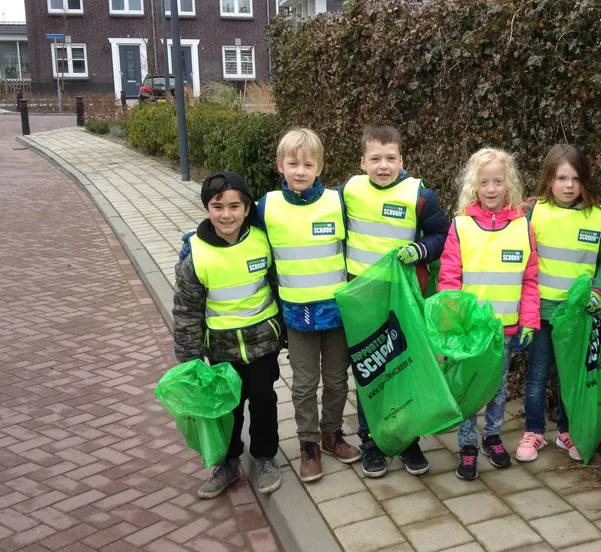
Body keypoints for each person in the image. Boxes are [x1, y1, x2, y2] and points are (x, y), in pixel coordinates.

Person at [340, 123, 451, 478]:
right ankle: (371, 440)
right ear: (362, 162)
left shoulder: (420, 195)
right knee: (368, 368)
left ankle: (407, 438)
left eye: (391, 158)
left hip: (403, 298)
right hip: (363, 299)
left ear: (402, 159)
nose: (383, 165)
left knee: (405, 364)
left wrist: (420, 250)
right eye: (375, 158)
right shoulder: (349, 192)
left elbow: (442, 235)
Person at [257, 129, 361, 482]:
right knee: (303, 384)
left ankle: (332, 435)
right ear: (279, 165)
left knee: (335, 381)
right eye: (292, 163)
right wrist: (198, 237)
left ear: (320, 167)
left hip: (336, 312)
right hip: (297, 314)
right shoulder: (267, 205)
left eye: (308, 164)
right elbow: (238, 232)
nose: (300, 171)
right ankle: (309, 444)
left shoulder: (337, 202)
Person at [173, 171, 284, 499]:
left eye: (235, 206)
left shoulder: (264, 242)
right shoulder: (195, 254)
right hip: (220, 351)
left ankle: (265, 457)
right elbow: (187, 311)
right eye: (217, 206)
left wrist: (287, 333)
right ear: (207, 208)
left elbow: (279, 288)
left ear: (247, 208)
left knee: (264, 400)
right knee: (228, 408)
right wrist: (190, 360)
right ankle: (228, 462)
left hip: (263, 344)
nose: (226, 214)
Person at [437, 148, 540, 480]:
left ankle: (492, 437)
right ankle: (467, 444)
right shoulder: (461, 226)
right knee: (468, 388)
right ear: (474, 186)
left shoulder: (523, 227)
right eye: (485, 182)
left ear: (508, 184)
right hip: (470, 333)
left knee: (497, 388)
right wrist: (452, 325)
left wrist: (529, 320)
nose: (492, 189)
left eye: (498, 181)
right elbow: (449, 280)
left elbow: (529, 278)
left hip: (505, 330)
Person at [517, 144, 601, 463]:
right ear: (549, 179)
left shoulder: (600, 217)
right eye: (561, 178)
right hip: (543, 312)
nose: (568, 185)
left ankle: (566, 432)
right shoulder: (534, 213)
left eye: (575, 178)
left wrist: (599, 293)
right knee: (537, 375)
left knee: (571, 377)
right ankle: (533, 432)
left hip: (578, 317)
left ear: (584, 181)